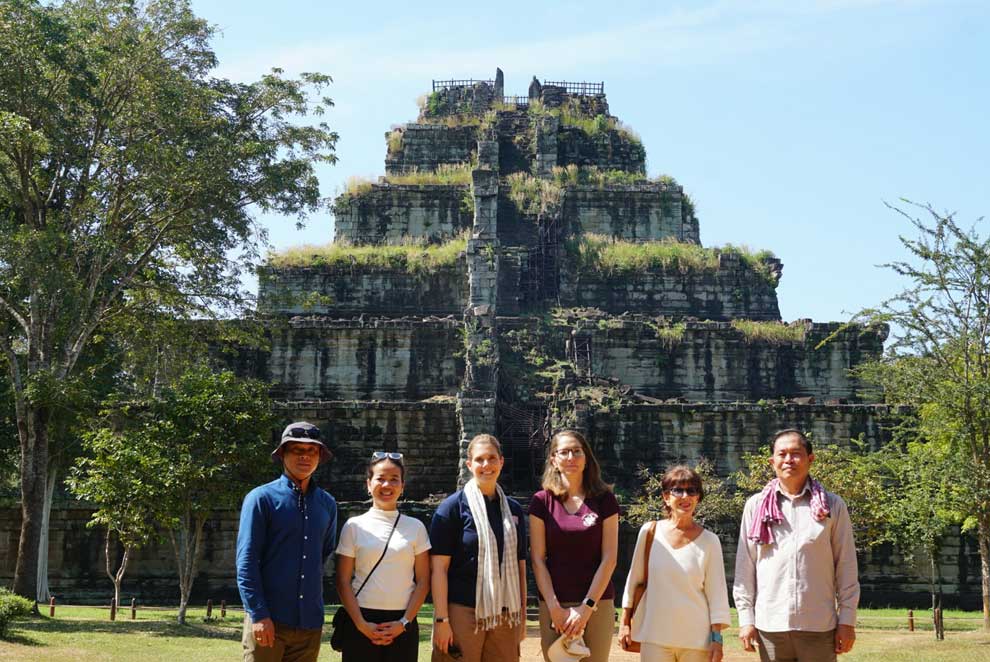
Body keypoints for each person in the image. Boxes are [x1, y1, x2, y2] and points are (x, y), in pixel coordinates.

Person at [733, 429, 860, 662]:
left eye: (796, 453)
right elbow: (745, 568)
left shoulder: (832, 505)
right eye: (782, 454)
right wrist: (746, 620)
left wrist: (847, 621)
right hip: (770, 625)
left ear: (810, 459)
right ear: (772, 461)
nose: (788, 460)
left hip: (818, 624)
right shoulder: (756, 506)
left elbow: (846, 566)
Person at [236, 421, 338, 662]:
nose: (305, 456)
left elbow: (323, 553)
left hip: (309, 624)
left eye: (312, 450)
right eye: (297, 450)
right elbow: (246, 562)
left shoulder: (327, 504)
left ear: (319, 456)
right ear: (283, 454)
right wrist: (259, 615)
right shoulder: (262, 499)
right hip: (269, 619)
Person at [429, 434, 528, 662]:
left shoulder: (513, 510)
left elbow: (521, 565)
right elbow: (439, 570)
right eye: (480, 459)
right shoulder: (452, 508)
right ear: (469, 464)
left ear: (501, 462)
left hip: (505, 613)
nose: (486, 465)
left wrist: (521, 615)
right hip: (462, 611)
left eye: (492, 458)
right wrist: (442, 620)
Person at [619, 465, 730, 662]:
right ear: (666, 497)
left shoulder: (710, 541)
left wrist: (717, 639)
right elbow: (633, 580)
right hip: (655, 637)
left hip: (697, 641)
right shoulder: (649, 532)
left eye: (692, 490)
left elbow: (717, 595)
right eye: (678, 490)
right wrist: (625, 623)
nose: (685, 496)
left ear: (698, 497)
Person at [529, 429, 619, 662]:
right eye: (564, 452)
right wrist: (554, 607)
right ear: (553, 459)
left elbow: (609, 558)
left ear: (586, 457)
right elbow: (538, 559)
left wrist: (586, 608)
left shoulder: (605, 499)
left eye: (577, 452)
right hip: (554, 604)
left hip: (597, 602)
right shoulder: (541, 501)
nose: (571, 458)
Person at [335, 452, 431, 662]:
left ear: (403, 486)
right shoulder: (353, 526)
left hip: (402, 622)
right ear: (368, 484)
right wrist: (361, 624)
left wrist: (404, 622)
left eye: (394, 479)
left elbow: (423, 580)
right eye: (380, 478)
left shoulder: (416, 528)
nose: (387, 484)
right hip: (361, 620)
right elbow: (342, 580)